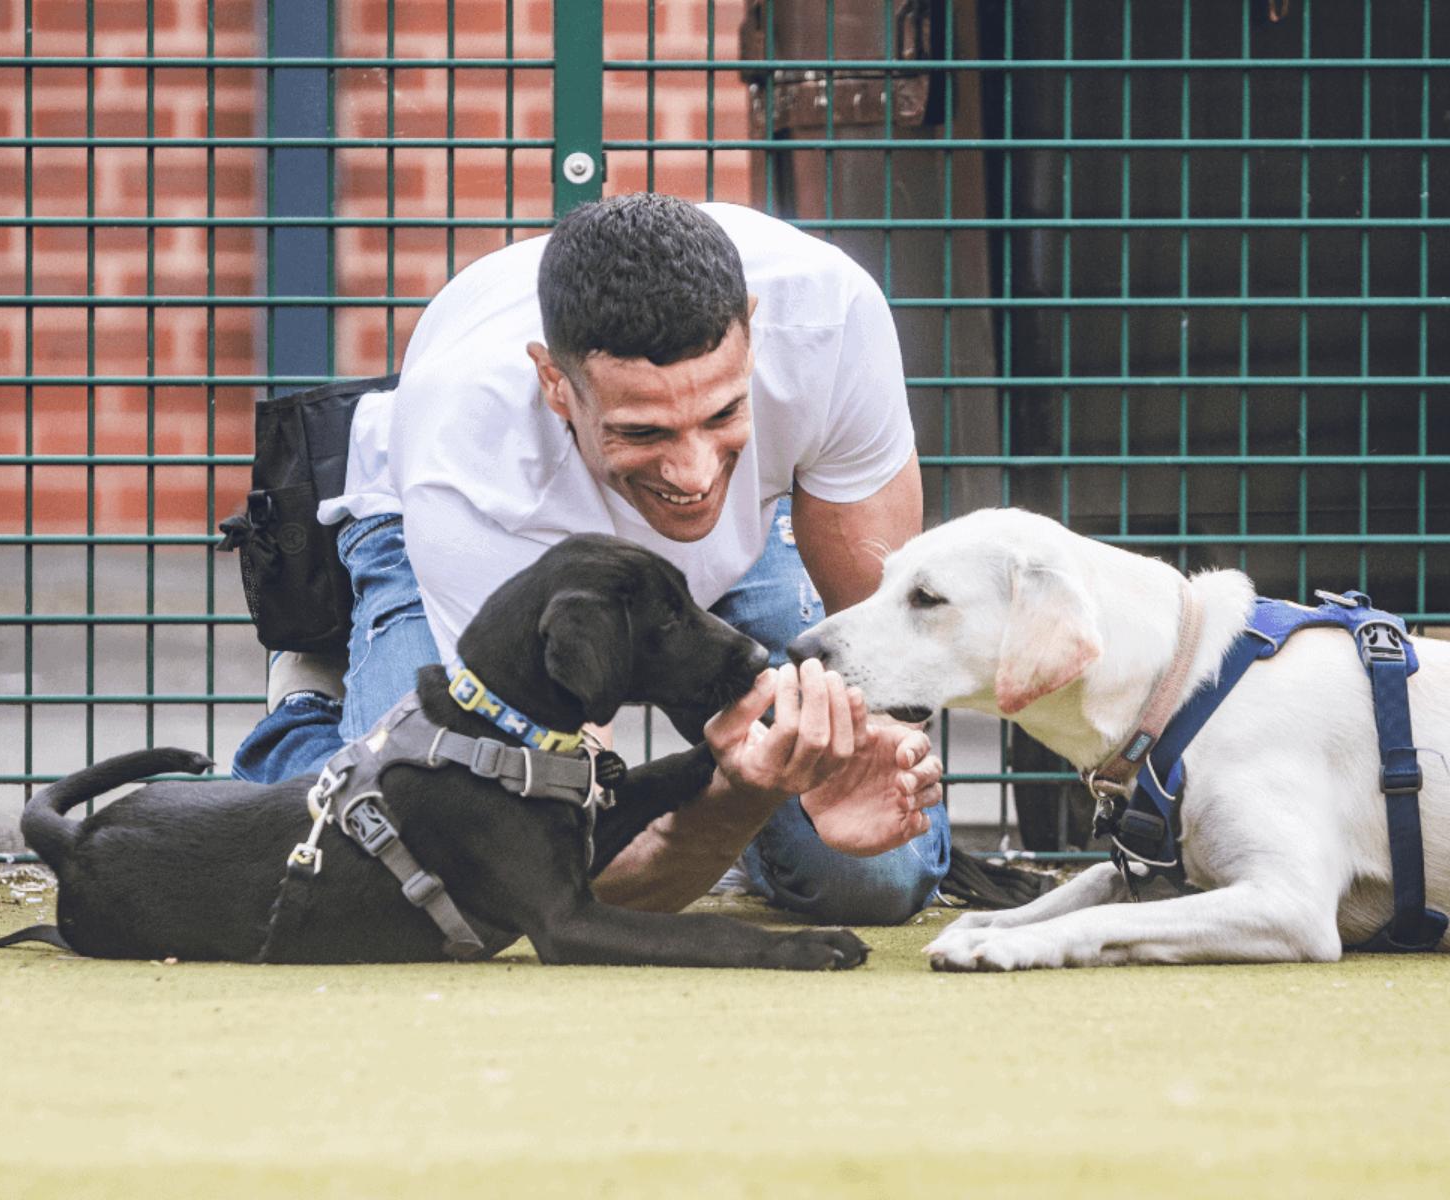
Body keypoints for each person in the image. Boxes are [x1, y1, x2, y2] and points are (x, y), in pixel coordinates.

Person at [232, 193, 948, 924]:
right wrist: (742, 793)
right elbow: (559, 859)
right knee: (426, 867)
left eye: (723, 414)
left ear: (753, 333)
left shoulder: (830, 317)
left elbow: (879, 650)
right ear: (554, 384)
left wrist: (865, 755)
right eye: (643, 430)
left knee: (874, 878)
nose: (696, 473)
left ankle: (764, 848)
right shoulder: (469, 462)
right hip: (481, 528)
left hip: (744, 533)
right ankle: (307, 712)